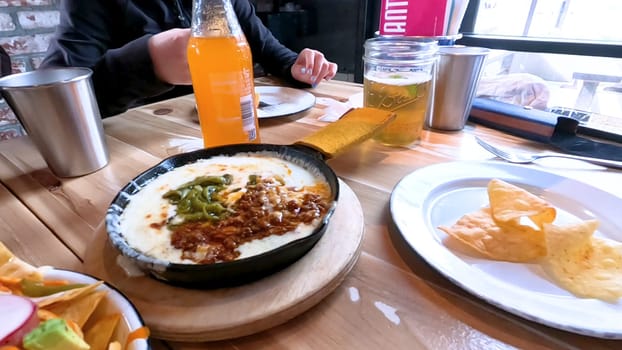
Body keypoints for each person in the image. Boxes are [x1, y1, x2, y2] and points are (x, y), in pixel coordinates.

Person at [41, 0, 338, 118]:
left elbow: (269, 50)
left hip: (234, 122)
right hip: (144, 144)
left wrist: (296, 66)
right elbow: (52, 102)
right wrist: (148, 62)